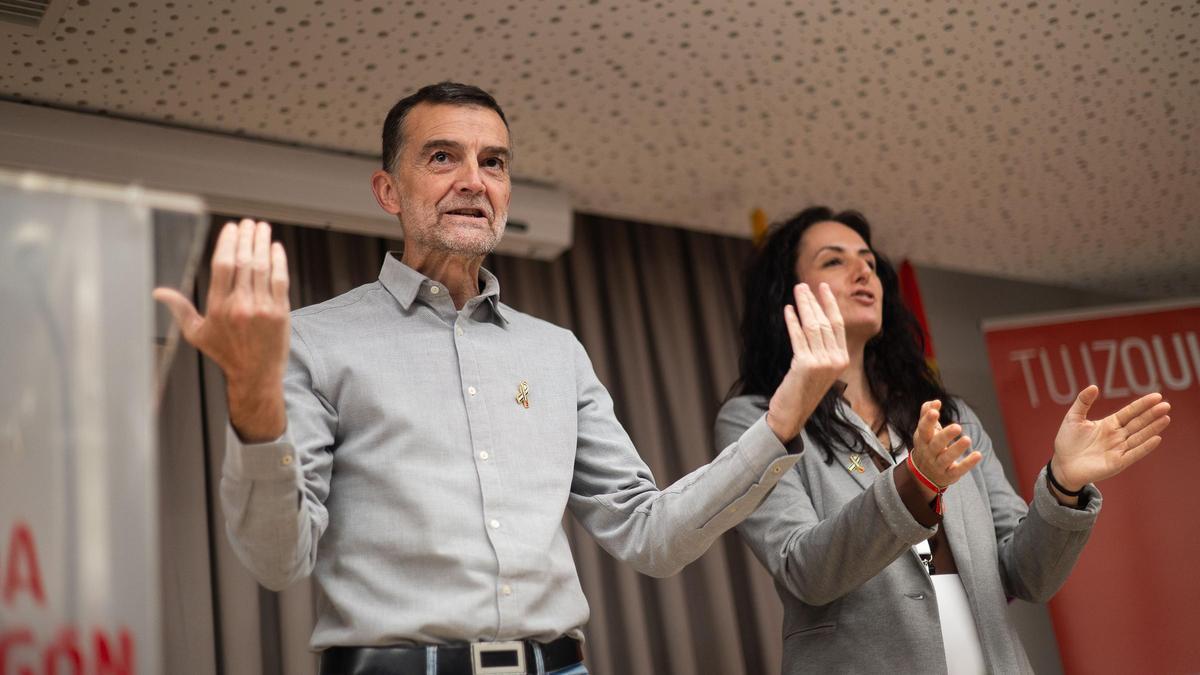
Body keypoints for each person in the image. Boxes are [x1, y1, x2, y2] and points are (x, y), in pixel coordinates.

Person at [153, 83, 850, 675]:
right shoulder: (311, 338)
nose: (473, 180)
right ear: (388, 191)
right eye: (441, 157)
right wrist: (252, 400)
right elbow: (279, 558)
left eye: (493, 162)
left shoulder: (557, 352)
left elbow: (651, 533)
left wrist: (783, 417)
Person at [714, 206, 1173, 674]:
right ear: (789, 294)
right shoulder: (759, 420)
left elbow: (1028, 576)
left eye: (870, 262)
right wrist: (913, 483)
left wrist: (1062, 485)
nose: (863, 272)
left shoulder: (949, 415)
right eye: (834, 261)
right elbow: (804, 571)